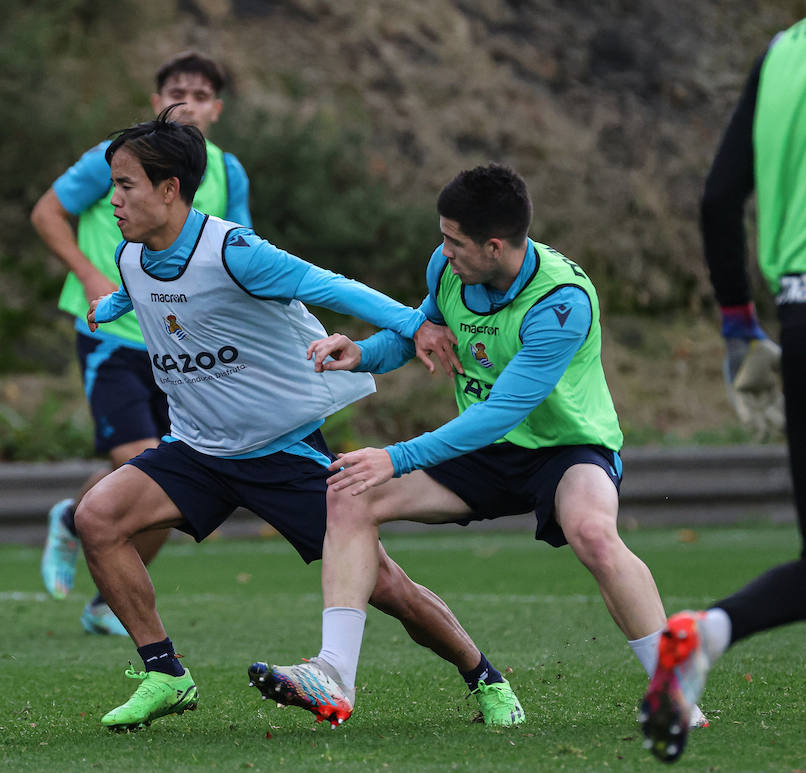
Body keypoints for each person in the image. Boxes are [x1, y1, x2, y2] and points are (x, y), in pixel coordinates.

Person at [77, 107, 525, 731]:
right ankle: (165, 674)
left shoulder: (235, 252)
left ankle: (485, 677)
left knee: (386, 586)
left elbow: (334, 288)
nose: (114, 200)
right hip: (198, 452)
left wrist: (413, 323)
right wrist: (113, 302)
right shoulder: (131, 255)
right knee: (96, 517)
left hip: (279, 451)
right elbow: (148, 290)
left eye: (125, 186)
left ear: (169, 189)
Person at [251, 163, 707, 730]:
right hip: (485, 452)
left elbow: (503, 411)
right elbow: (425, 334)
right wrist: (364, 354)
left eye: (454, 240)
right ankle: (334, 674)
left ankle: (676, 692)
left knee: (592, 532)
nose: (443, 251)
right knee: (349, 493)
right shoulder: (448, 269)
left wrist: (395, 456)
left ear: (494, 247)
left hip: (567, 450)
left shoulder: (562, 303)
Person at [32, 51, 251, 635]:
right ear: (156, 102)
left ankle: (103, 591)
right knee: (142, 467)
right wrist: (87, 272)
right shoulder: (112, 161)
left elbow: (241, 251)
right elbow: (47, 212)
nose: (190, 104)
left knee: (171, 481)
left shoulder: (227, 173)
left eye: (202, 96)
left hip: (183, 346)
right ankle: (87, 530)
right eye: (177, 92)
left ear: (218, 109)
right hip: (112, 335)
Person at [640, 20, 806, 763]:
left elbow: (717, 200)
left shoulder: (781, 54)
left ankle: (704, 636)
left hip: (795, 314)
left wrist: (739, 323)